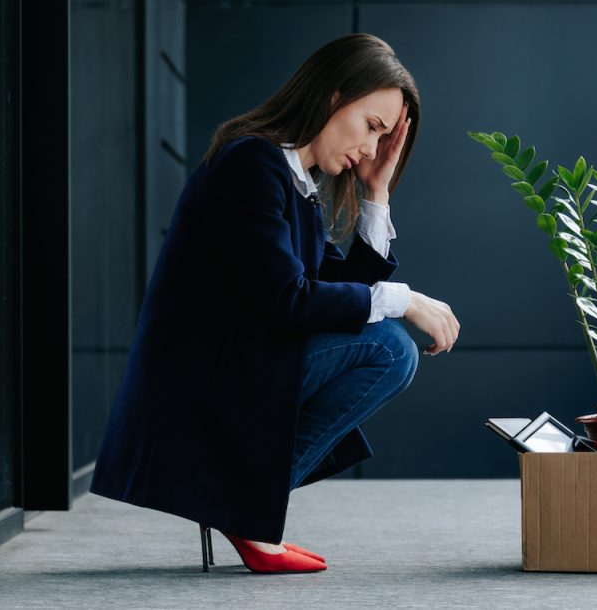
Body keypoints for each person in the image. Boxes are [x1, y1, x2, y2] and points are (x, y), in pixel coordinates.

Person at [89, 33, 460, 574]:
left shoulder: (293, 181)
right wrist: (405, 300)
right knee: (389, 349)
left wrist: (377, 195)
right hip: (198, 394)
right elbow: (290, 301)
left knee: (385, 346)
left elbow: (340, 292)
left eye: (384, 139)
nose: (373, 149)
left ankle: (244, 504)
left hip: (236, 375)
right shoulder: (252, 164)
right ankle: (243, 507)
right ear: (333, 99)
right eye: (372, 128)